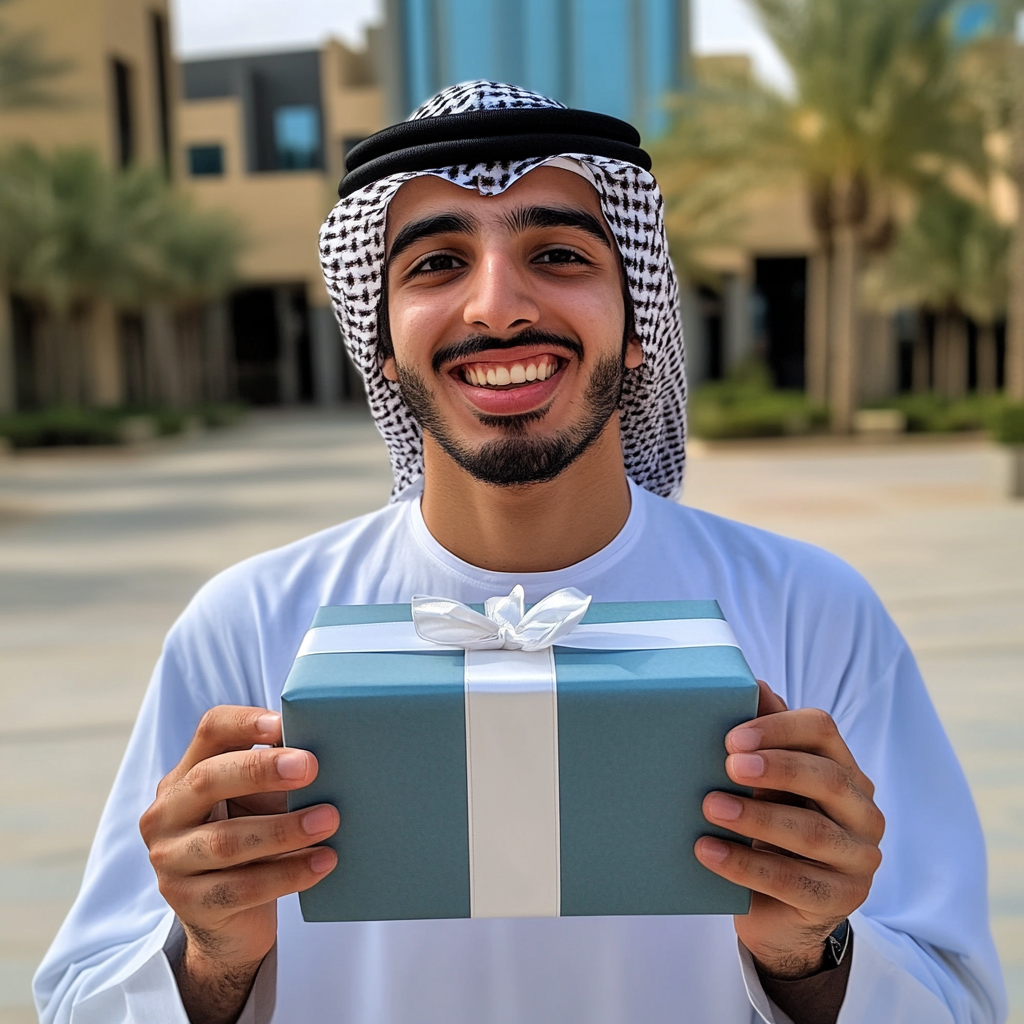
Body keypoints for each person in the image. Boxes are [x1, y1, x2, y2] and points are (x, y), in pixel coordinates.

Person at [35, 82, 1004, 1024]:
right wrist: (208, 958)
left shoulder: (812, 613)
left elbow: (956, 999)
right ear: (381, 343)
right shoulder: (247, 627)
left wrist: (812, 954)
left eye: (556, 253)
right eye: (434, 265)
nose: (497, 307)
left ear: (637, 326)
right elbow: (83, 1002)